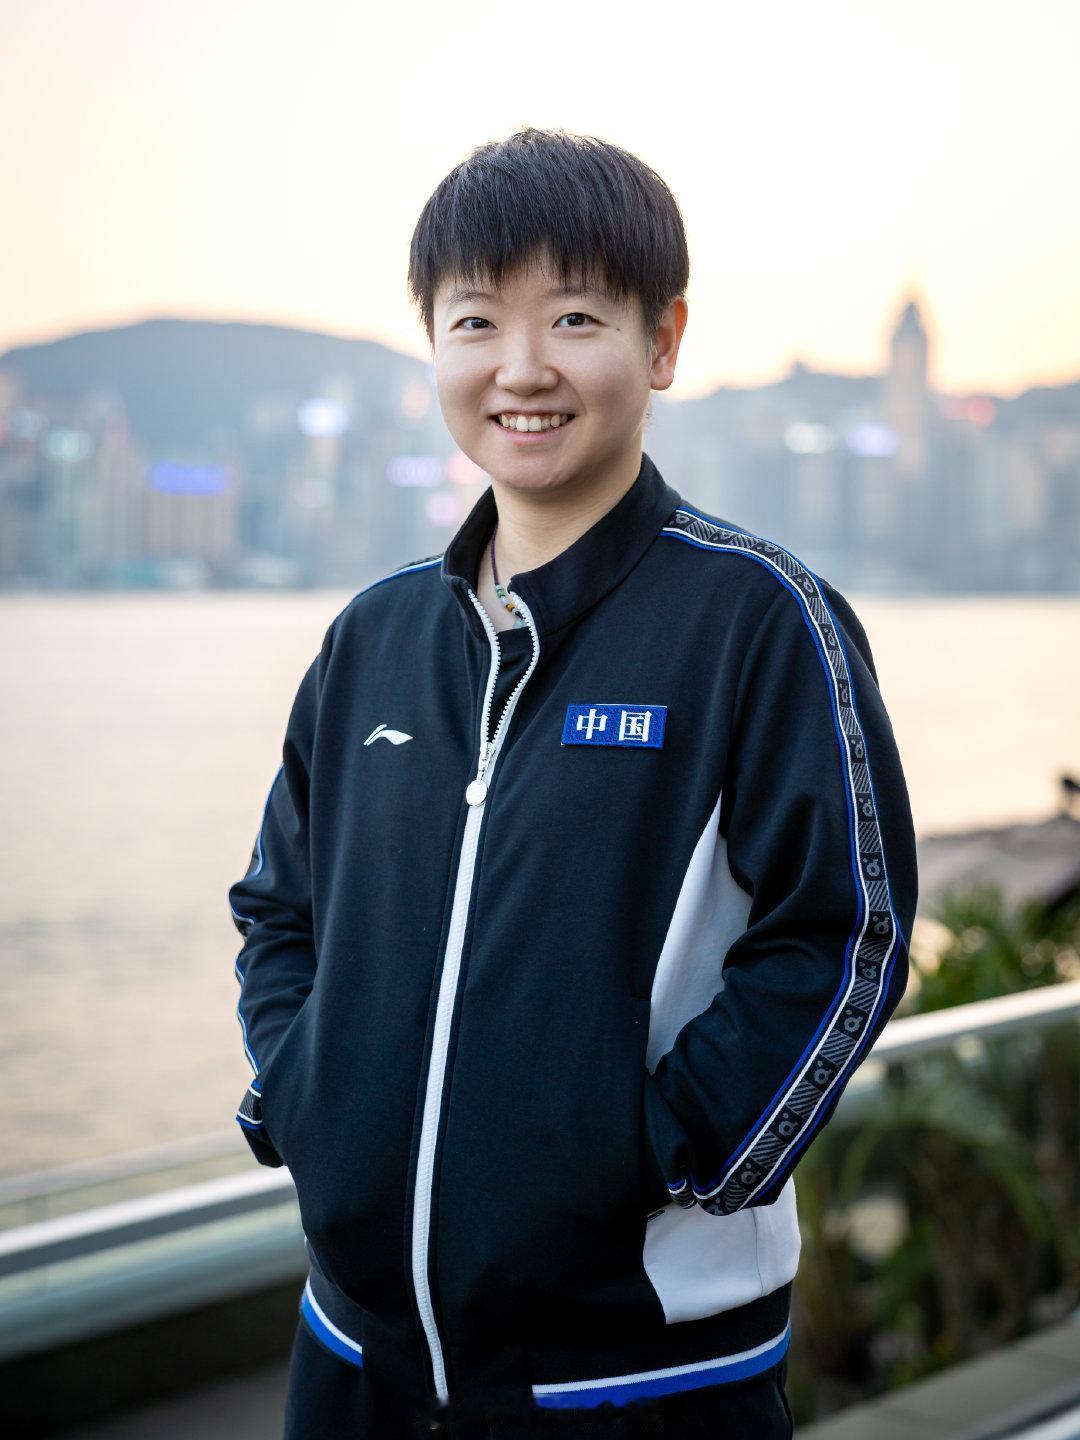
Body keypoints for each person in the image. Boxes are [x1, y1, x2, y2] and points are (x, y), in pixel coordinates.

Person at [229, 126, 918, 1438]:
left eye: (577, 317)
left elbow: (847, 932)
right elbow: (278, 905)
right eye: (477, 320)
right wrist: (306, 1097)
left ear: (662, 343)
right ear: (434, 344)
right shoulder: (375, 638)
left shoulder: (758, 623)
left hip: (641, 1374)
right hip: (356, 1351)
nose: (523, 367)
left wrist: (651, 1154)